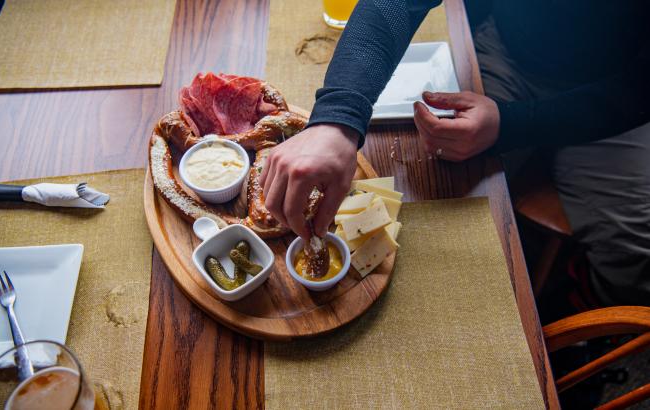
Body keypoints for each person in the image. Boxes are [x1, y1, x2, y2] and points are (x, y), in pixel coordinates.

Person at [259, 0, 650, 306]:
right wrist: (337, 119)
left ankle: (584, 300)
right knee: (443, 190)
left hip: (618, 96)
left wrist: (513, 125)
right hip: (510, 52)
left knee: (634, 254)